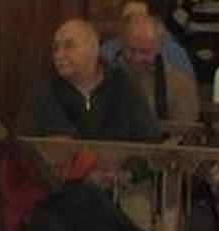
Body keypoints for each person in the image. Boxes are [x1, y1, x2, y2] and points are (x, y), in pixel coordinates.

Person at [16, 18, 158, 141]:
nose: (59, 55)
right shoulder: (42, 89)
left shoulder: (123, 85)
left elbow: (149, 139)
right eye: (55, 48)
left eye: (68, 46)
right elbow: (25, 144)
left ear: (93, 48)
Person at [115, 13, 200, 130]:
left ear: (158, 48)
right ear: (121, 43)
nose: (137, 58)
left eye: (145, 52)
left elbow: (184, 135)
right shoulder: (102, 77)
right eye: (131, 50)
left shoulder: (180, 85)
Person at [99, 0, 194, 80]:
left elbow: (186, 89)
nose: (133, 24)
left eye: (139, 18)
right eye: (127, 19)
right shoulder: (107, 50)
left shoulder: (174, 53)